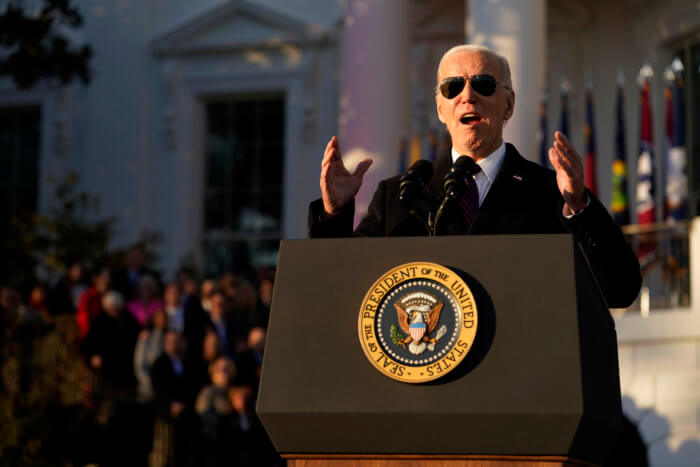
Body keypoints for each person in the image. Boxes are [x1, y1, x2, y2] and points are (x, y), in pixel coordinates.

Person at [308, 44, 641, 309]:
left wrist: (578, 205)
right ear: (441, 108)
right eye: (453, 87)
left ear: (508, 104)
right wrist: (334, 215)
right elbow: (338, 290)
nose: (467, 95)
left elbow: (619, 291)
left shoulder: (550, 193)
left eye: (483, 84)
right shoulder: (399, 195)